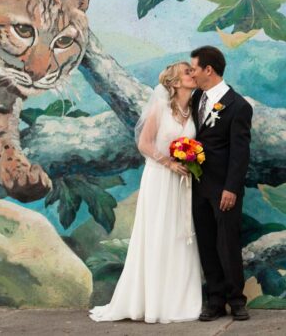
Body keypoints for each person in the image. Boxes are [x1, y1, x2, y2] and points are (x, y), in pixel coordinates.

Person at [89, 62, 202, 324]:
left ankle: (179, 301)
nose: (193, 75)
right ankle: (152, 302)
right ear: (175, 83)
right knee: (158, 234)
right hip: (160, 178)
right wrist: (169, 163)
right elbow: (144, 143)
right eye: (187, 72)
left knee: (180, 235)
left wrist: (190, 161)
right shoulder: (160, 108)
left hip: (182, 181)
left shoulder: (192, 111)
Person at [189, 45, 253, 322]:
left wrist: (231, 188)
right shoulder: (195, 99)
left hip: (224, 189)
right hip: (198, 186)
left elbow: (240, 153)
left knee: (228, 244)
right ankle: (214, 300)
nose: (191, 73)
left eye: (194, 69)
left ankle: (236, 300)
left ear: (208, 70)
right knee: (206, 244)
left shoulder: (238, 106)